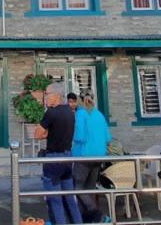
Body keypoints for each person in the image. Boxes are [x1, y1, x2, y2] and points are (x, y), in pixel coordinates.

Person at [34, 83, 82, 225]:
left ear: (56, 96)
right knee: (69, 198)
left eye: (47, 94)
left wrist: (45, 132)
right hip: (67, 157)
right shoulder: (70, 112)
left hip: (54, 158)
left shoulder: (51, 113)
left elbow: (37, 134)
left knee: (54, 199)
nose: (45, 97)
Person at [72, 90, 111, 222]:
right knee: (90, 188)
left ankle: (95, 212)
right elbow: (108, 138)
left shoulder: (81, 113)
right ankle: (86, 219)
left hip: (84, 154)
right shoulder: (99, 114)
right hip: (99, 155)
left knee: (77, 186)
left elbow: (79, 136)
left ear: (80, 100)